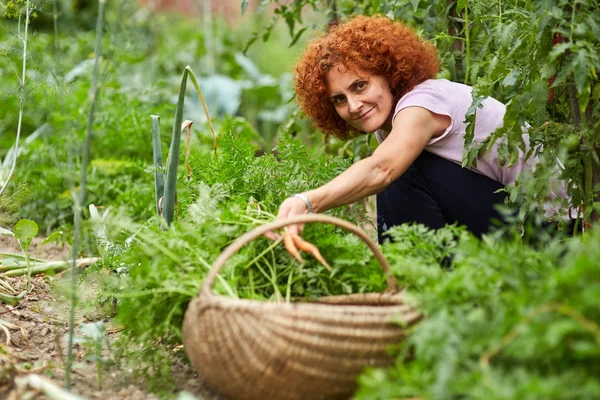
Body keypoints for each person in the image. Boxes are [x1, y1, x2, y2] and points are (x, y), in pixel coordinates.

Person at [270, 14, 571, 244]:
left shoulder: (422, 104)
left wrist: (307, 201)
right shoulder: (388, 123)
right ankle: (420, 283)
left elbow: (381, 170)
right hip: (510, 215)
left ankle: (411, 288)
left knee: (399, 174)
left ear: (387, 74)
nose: (353, 105)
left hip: (552, 230)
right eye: (339, 99)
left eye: (360, 86)